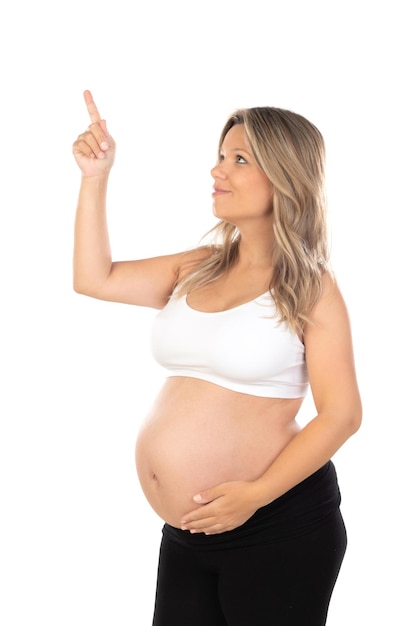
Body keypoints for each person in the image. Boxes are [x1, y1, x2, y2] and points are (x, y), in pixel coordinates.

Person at [72, 90, 362, 626]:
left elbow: (342, 414)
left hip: (278, 525)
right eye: (221, 155)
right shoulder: (200, 266)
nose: (217, 169)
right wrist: (95, 178)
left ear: (283, 176)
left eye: (239, 159)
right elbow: (95, 279)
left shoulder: (309, 286)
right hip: (188, 534)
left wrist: (254, 495)